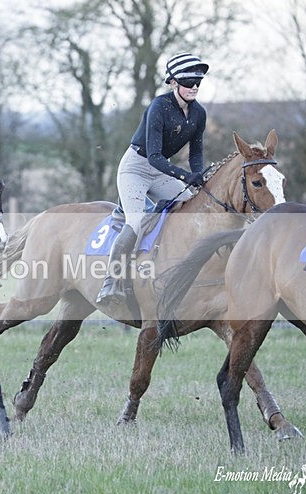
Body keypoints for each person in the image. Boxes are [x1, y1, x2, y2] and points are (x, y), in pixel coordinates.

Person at [96, 52, 209, 306]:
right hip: (136, 168)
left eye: (198, 82)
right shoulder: (159, 106)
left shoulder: (199, 113)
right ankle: (110, 282)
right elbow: (155, 156)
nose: (194, 86)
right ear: (173, 83)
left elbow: (197, 152)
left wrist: (198, 176)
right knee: (135, 224)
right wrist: (185, 176)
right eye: (188, 81)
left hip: (161, 171)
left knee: (194, 206)